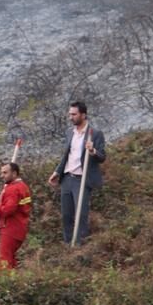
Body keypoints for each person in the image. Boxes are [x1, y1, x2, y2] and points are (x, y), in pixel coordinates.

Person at [48, 101, 107, 245]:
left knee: (81, 214)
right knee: (66, 215)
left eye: (74, 114)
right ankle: (68, 245)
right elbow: (67, 155)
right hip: (67, 178)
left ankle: (80, 246)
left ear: (83, 115)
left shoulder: (95, 133)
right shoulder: (70, 133)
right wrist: (57, 171)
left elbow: (102, 157)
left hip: (82, 179)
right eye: (70, 114)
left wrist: (92, 151)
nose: (71, 117)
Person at [0, 162, 33, 270]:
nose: (2, 175)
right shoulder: (23, 186)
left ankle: (5, 281)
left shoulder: (12, 189)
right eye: (1, 173)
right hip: (19, 227)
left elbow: (8, 210)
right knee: (11, 257)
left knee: (4, 258)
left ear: (14, 173)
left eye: (5, 173)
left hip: (10, 228)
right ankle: (13, 280)